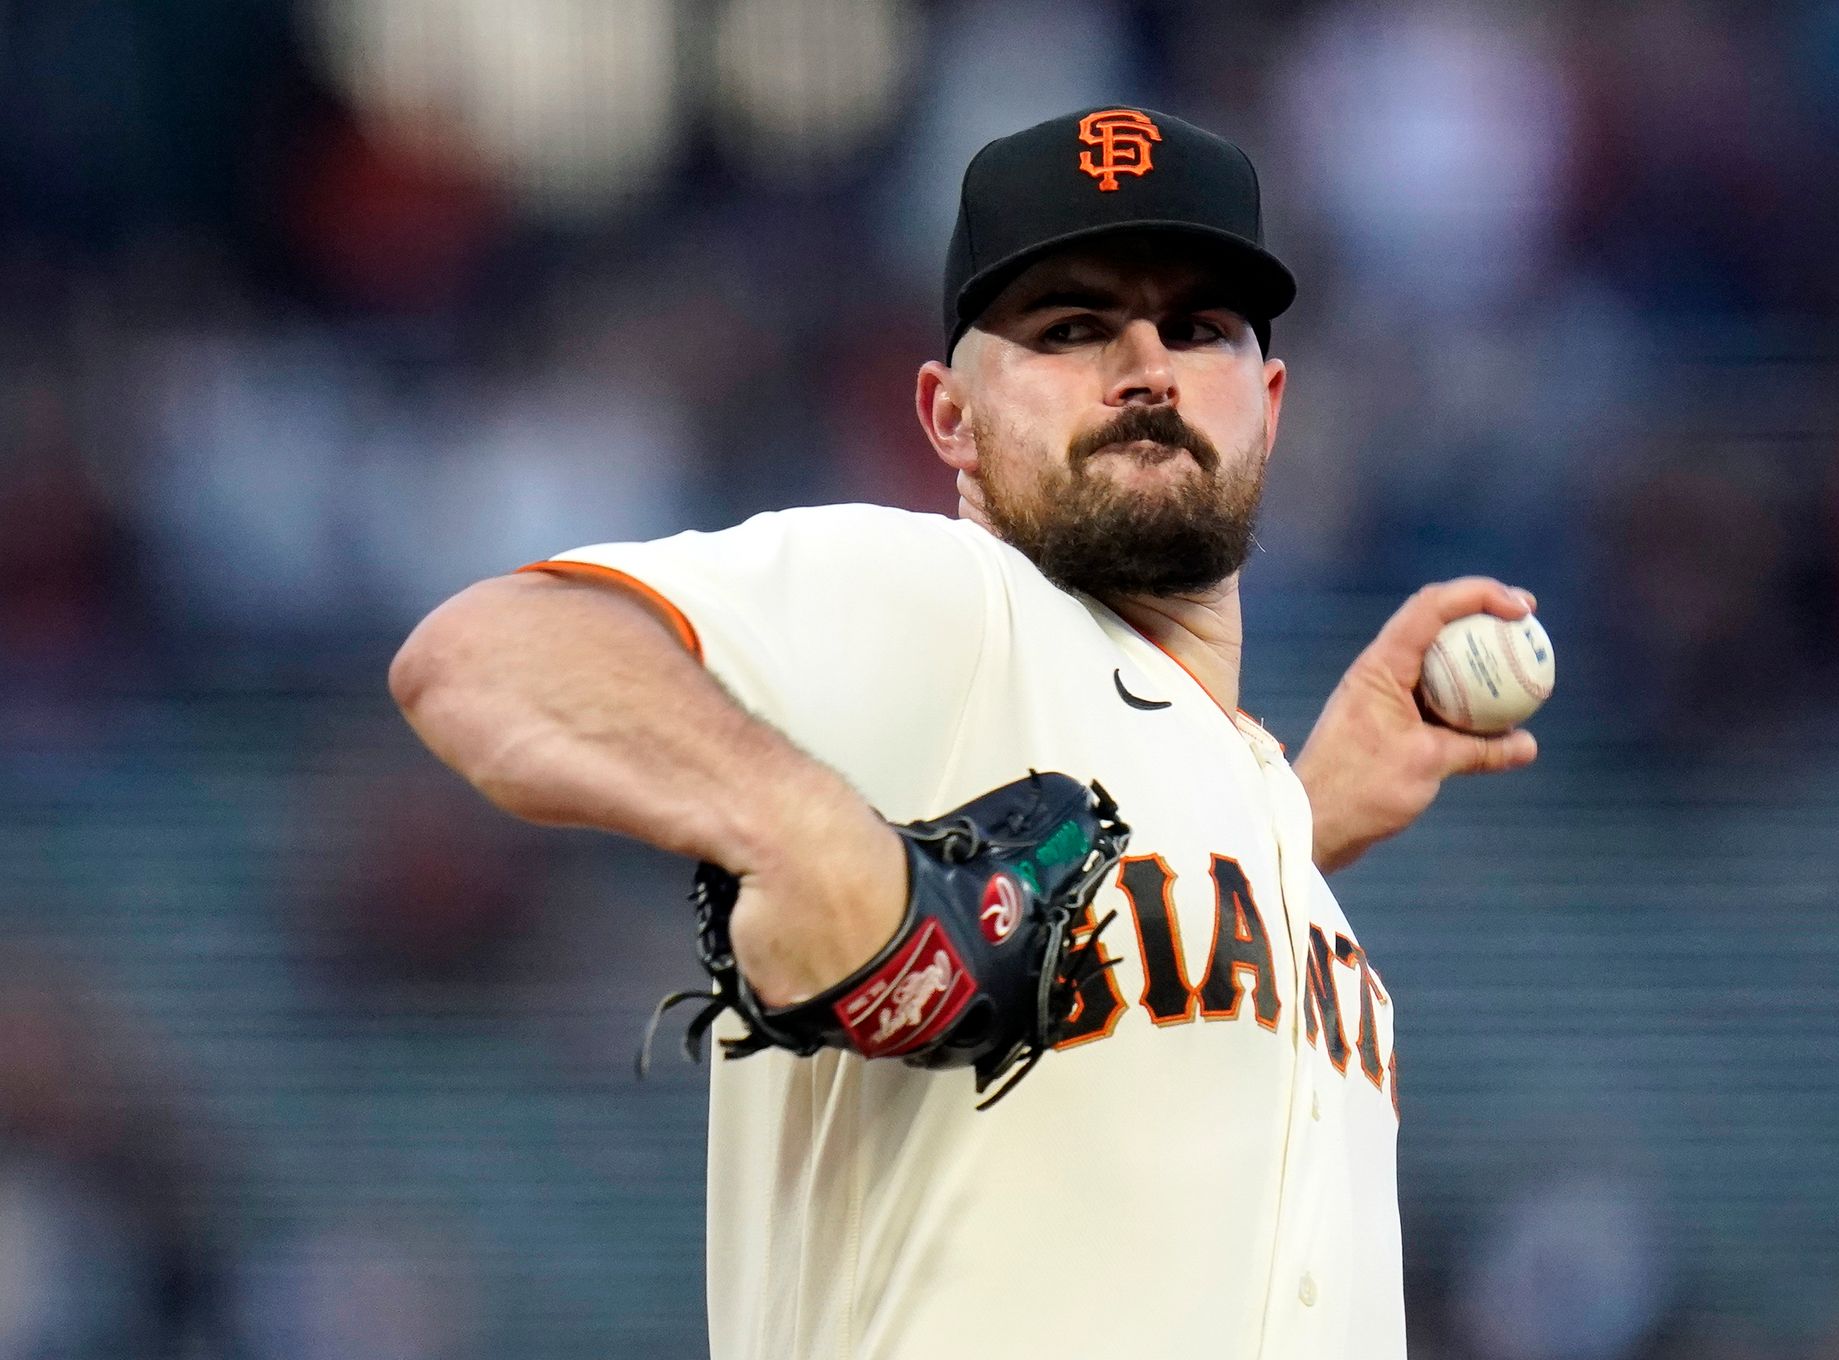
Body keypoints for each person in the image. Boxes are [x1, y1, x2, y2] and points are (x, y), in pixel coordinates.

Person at [390, 106, 1539, 1360]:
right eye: (1071, 326)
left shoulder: (1263, 810)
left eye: (1198, 326)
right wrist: (811, 833)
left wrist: (1290, 822)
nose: (1146, 365)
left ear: (1268, 402)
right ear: (947, 416)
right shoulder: (954, 603)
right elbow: (486, 653)